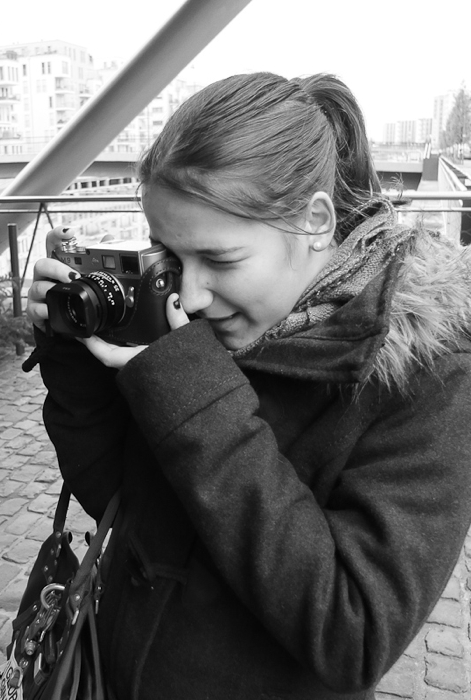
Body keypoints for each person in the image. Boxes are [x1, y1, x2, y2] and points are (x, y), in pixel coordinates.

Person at [23, 72, 471, 699]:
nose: (190, 295)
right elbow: (118, 500)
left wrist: (193, 396)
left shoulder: (424, 373)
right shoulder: (206, 325)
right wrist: (74, 354)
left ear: (316, 221)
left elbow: (355, 633)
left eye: (220, 260)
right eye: (168, 254)